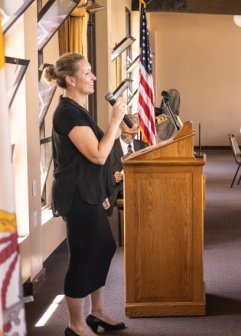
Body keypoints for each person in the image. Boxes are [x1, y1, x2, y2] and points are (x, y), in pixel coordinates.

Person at [48, 53, 126, 336]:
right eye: (88, 72)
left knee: (103, 248)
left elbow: (96, 150)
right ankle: (76, 325)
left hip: (88, 191)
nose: (93, 77)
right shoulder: (67, 113)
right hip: (75, 196)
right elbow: (97, 154)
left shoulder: (78, 108)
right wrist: (115, 120)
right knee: (82, 256)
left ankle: (98, 311)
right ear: (71, 79)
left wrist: (103, 189)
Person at [106, 114, 148, 217]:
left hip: (141, 185)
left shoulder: (144, 146)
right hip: (119, 187)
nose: (130, 136)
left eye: (133, 134)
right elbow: (101, 175)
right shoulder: (109, 147)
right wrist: (114, 178)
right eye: (127, 133)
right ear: (120, 127)